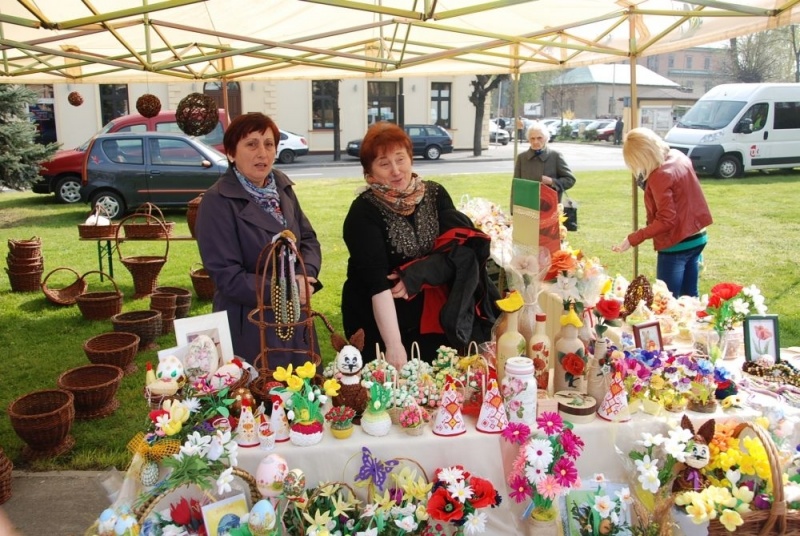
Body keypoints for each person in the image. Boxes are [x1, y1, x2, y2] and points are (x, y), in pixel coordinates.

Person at [341, 122, 498, 370]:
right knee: (385, 385)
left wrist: (417, 274)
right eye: (384, 164)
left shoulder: (435, 194)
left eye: (400, 159)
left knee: (434, 380)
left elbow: (459, 252)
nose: (396, 171)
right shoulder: (363, 212)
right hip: (378, 320)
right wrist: (393, 345)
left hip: (432, 318)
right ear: (369, 172)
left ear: (410, 158)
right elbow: (377, 285)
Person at [195, 112, 322, 367]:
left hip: (295, 319)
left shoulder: (281, 187)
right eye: (251, 144)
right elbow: (227, 276)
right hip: (249, 324)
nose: (262, 153)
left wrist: (304, 276)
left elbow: (307, 239)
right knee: (260, 388)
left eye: (269, 144)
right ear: (231, 153)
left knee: (302, 386)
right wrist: (287, 290)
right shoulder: (217, 201)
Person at [611, 127, 712, 298]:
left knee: (666, 301)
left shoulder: (659, 175)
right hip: (697, 235)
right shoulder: (678, 156)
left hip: (677, 242)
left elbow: (666, 220)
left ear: (643, 156)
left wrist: (632, 238)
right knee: (690, 297)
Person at [512, 122, 576, 204]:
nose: (535, 141)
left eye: (539, 138)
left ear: (546, 138)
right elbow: (516, 186)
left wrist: (552, 181)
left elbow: (570, 180)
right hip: (527, 205)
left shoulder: (555, 156)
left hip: (550, 206)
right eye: (532, 138)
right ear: (529, 140)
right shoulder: (522, 157)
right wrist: (513, 209)